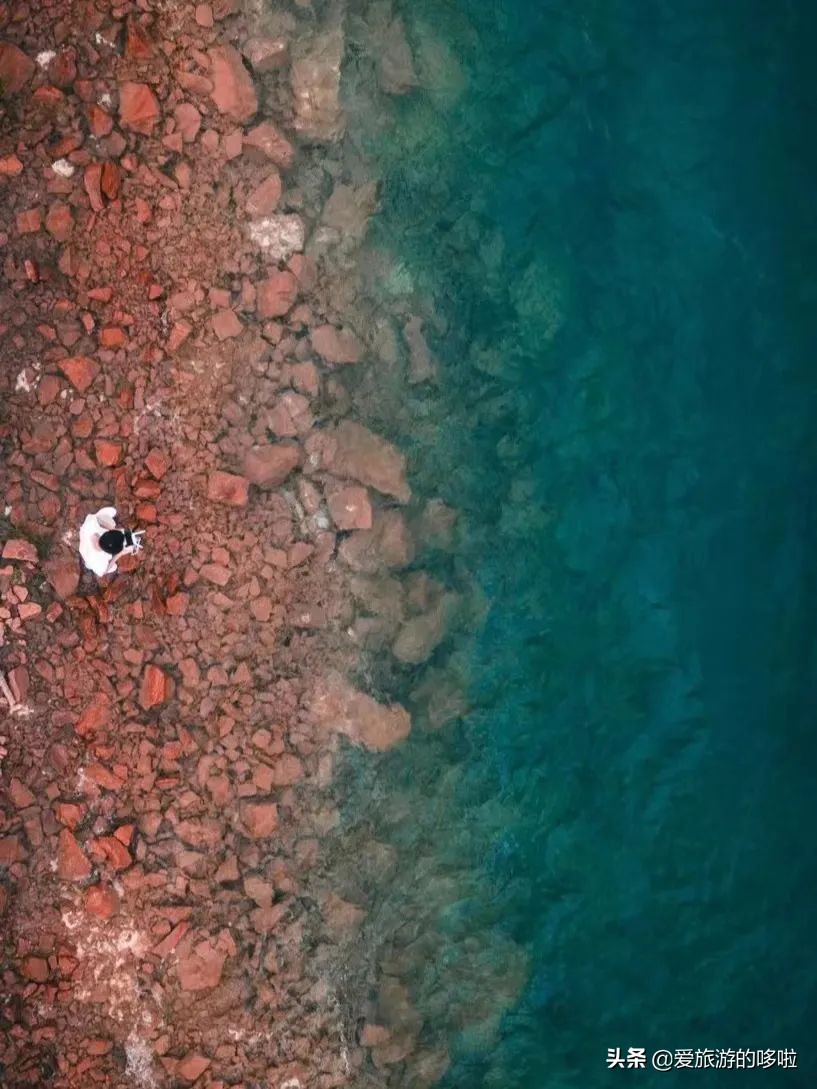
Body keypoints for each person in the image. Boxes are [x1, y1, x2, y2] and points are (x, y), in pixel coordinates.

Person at [78, 505, 143, 577]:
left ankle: (109, 524)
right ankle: (89, 565)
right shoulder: (99, 561)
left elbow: (97, 519)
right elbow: (103, 572)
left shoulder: (91, 524)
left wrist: (112, 529)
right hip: (91, 561)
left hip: (85, 537)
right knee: (113, 567)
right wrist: (119, 554)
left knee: (110, 517)